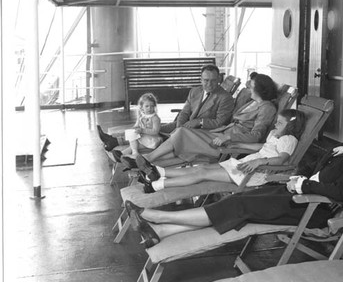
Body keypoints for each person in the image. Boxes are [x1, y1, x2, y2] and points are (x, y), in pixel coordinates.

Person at [123, 105, 343, 248]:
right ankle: (160, 232)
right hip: (298, 194)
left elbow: (339, 193)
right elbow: (314, 172)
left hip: (312, 208)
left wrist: (302, 182)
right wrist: (300, 179)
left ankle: (156, 216)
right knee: (240, 207)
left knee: (238, 205)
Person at [124, 73, 278, 169]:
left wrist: (229, 137)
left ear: (259, 89)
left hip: (227, 141)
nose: (248, 88)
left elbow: (256, 135)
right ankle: (147, 162)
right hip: (222, 134)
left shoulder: (267, 108)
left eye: (251, 86)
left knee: (181, 133)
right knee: (180, 134)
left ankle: (146, 159)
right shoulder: (252, 103)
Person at [136, 108, 306, 193]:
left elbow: (282, 159)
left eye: (281, 123)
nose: (276, 124)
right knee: (200, 168)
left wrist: (260, 161)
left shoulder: (289, 140)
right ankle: (158, 170)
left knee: (201, 175)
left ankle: (157, 185)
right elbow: (262, 147)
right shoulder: (275, 135)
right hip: (245, 165)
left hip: (256, 173)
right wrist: (238, 146)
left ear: (291, 126)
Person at [96, 64, 234, 151]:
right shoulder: (195, 91)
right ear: (201, 79)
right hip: (184, 125)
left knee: (153, 132)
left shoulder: (225, 97)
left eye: (213, 80)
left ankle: (115, 141)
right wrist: (180, 125)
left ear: (219, 80)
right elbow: (185, 111)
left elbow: (220, 122)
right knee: (154, 130)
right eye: (206, 80)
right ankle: (114, 138)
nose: (209, 84)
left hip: (200, 131)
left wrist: (199, 122)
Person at [105, 93, 163, 160]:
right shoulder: (141, 116)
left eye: (152, 106)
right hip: (143, 137)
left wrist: (142, 130)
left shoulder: (155, 118)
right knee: (132, 137)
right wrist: (133, 130)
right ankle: (124, 154)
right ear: (142, 107)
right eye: (147, 106)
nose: (149, 108)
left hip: (152, 140)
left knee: (135, 144)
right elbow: (136, 125)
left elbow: (155, 131)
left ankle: (124, 154)